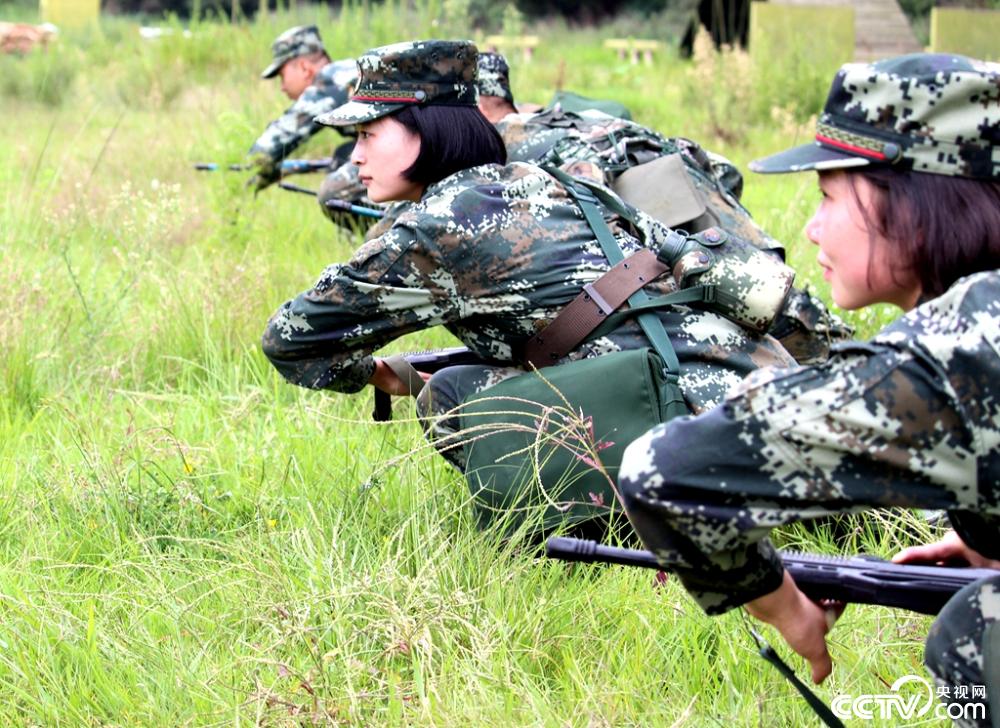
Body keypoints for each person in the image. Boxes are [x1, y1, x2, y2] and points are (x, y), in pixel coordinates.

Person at [618, 53, 1000, 724]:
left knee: (976, 630)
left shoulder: (953, 353)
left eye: (829, 197)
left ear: (915, 202)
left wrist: (781, 604)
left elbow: (664, 474)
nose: (814, 228)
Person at [260, 39, 796, 473]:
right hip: (780, 405)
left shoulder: (435, 229)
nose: (355, 155)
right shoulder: (544, 179)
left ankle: (584, 522)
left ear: (424, 131)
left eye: (368, 133)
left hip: (703, 449)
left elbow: (289, 338)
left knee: (447, 393)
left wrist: (380, 373)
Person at [477, 51, 852, 366]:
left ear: (475, 105)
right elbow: (723, 169)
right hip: (703, 200)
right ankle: (835, 345)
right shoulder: (570, 116)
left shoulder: (508, 145)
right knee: (787, 306)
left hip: (671, 240)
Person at [247, 25, 379, 228]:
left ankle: (383, 243)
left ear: (304, 68)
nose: (282, 87)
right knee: (345, 156)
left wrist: (241, 174)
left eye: (282, 76)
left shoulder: (328, 81)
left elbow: (274, 143)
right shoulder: (347, 72)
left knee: (334, 193)